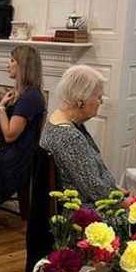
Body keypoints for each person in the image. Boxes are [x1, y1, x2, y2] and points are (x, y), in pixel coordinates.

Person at [0, 45, 46, 214]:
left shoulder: (29, 98)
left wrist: (1, 108)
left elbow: (9, 135)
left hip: (15, 161)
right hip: (12, 154)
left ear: (23, 66)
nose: (8, 64)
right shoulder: (27, 94)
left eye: (12, 60)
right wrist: (2, 105)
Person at [40, 64, 117, 206]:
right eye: (99, 97)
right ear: (81, 101)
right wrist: (122, 201)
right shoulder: (69, 137)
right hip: (82, 212)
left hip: (89, 202)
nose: (101, 101)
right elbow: (95, 190)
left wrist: (115, 191)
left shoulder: (63, 120)